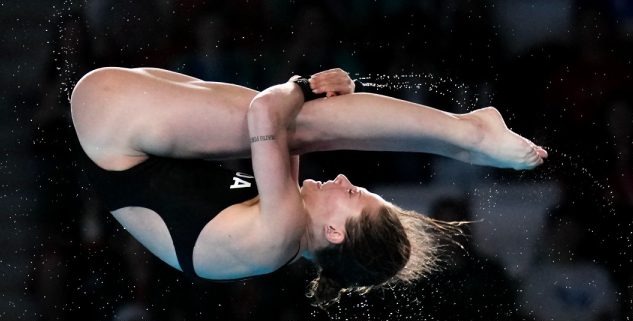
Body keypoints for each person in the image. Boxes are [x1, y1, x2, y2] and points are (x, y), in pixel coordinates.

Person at [69, 67, 547, 308]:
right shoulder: (284, 229)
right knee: (303, 123)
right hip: (121, 127)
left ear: (336, 232)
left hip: (114, 124)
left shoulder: (280, 232)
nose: (344, 180)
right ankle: (465, 136)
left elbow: (266, 114)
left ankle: (468, 136)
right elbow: (279, 137)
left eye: (354, 194)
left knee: (302, 121)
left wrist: (303, 85)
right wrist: (320, 90)